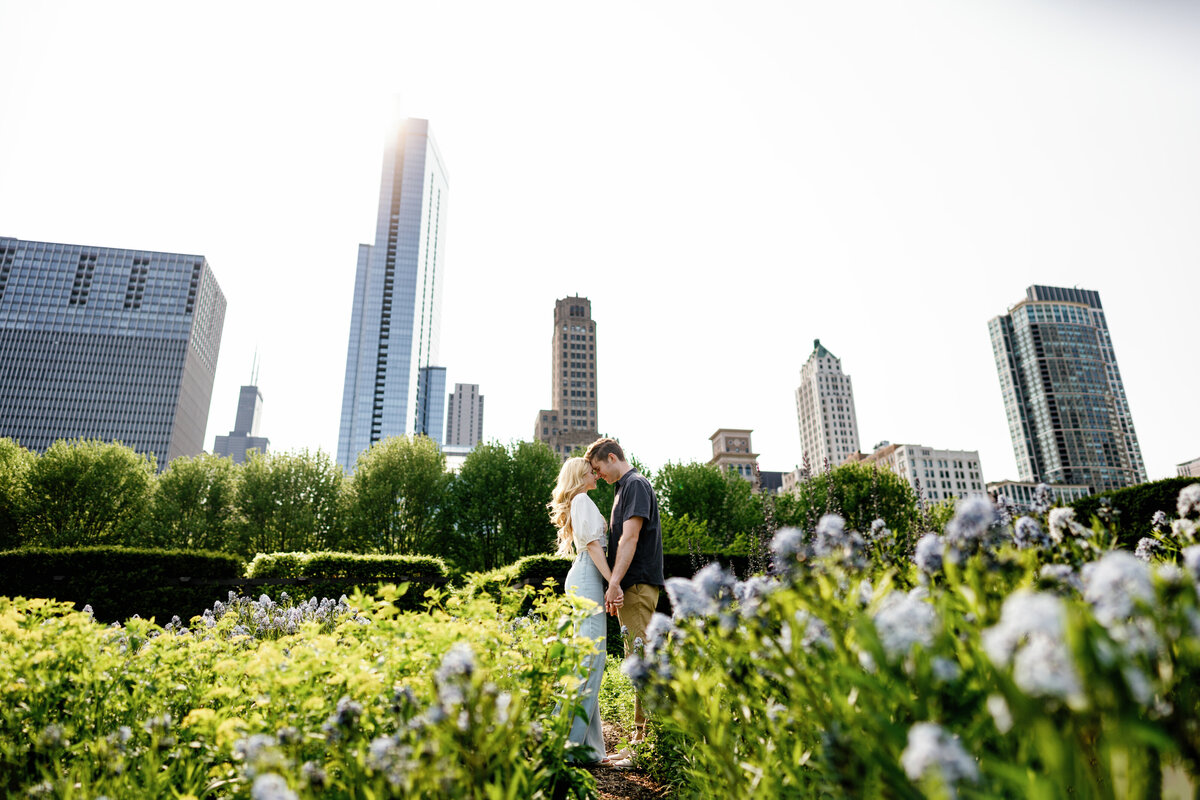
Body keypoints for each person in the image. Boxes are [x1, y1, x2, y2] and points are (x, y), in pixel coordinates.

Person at [585, 437, 664, 761]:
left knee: (642, 664)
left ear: (613, 457)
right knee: (638, 661)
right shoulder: (622, 490)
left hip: (635, 586)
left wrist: (614, 582)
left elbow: (630, 537)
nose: (597, 475)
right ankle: (640, 739)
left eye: (598, 468)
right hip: (630, 588)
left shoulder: (634, 485)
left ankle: (645, 745)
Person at [547, 456, 619, 766]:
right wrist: (611, 581)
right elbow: (592, 544)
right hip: (588, 577)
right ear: (581, 474)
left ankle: (590, 751)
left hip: (584, 578)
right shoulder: (582, 500)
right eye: (591, 470)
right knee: (591, 659)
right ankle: (564, 746)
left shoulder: (582, 501)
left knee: (588, 661)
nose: (596, 473)